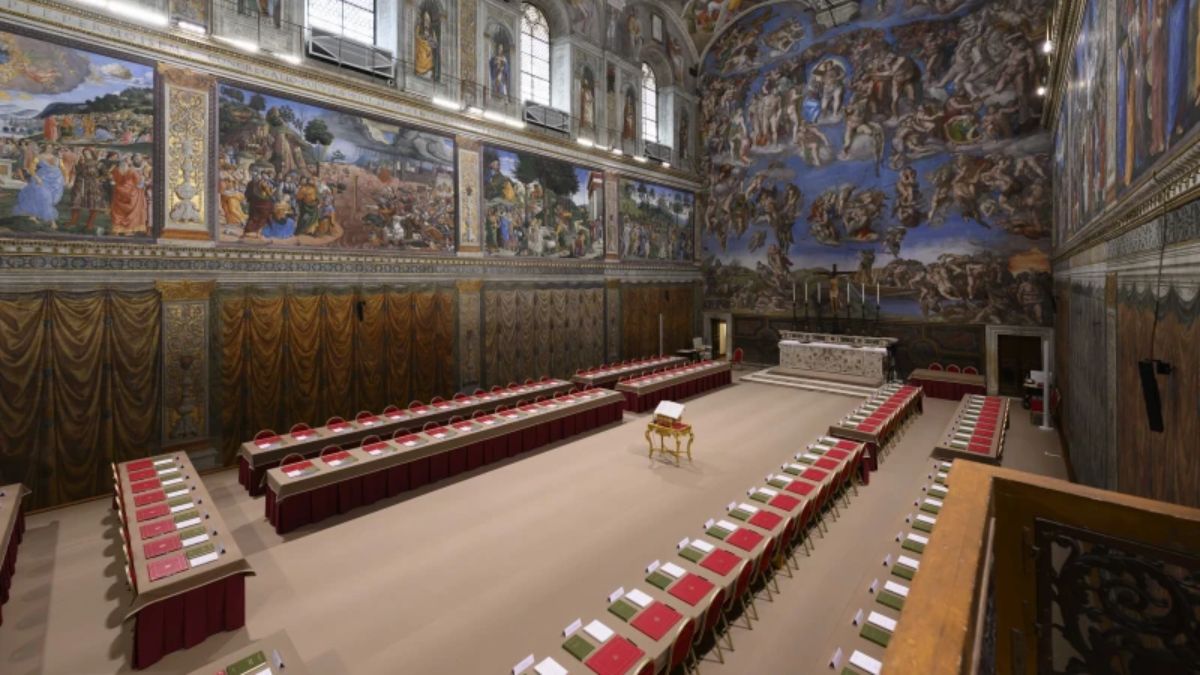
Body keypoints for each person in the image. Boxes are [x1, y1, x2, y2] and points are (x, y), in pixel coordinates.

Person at [13, 145, 64, 226]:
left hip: (56, 181)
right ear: (44, 147)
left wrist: (61, 159)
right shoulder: (39, 157)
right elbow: (31, 169)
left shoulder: (56, 157)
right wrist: (37, 178)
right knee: (45, 197)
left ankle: (33, 216)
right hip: (42, 179)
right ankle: (52, 222)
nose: (50, 148)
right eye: (48, 147)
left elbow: (62, 168)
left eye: (51, 147)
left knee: (49, 199)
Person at [109, 154, 149, 235]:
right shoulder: (132, 171)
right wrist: (143, 181)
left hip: (118, 193)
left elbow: (112, 180)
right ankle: (127, 231)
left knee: (118, 212)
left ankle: (117, 230)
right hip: (131, 194)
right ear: (128, 163)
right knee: (130, 212)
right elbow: (139, 183)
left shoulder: (116, 170)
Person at [415, 10, 438, 79]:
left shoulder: (432, 32)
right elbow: (416, 38)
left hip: (428, 56)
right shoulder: (419, 29)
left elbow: (435, 45)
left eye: (428, 20)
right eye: (425, 19)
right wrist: (422, 38)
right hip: (420, 54)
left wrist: (428, 38)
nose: (426, 22)